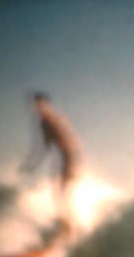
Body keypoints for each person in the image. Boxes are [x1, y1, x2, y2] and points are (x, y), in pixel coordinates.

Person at [19, 92, 85, 241]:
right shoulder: (43, 124)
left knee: (64, 193)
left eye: (41, 105)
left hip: (72, 157)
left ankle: (72, 229)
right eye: (35, 106)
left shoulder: (56, 119)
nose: (38, 108)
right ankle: (68, 226)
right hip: (62, 159)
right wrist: (32, 164)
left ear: (48, 105)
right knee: (57, 193)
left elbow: (73, 140)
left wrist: (77, 163)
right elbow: (43, 147)